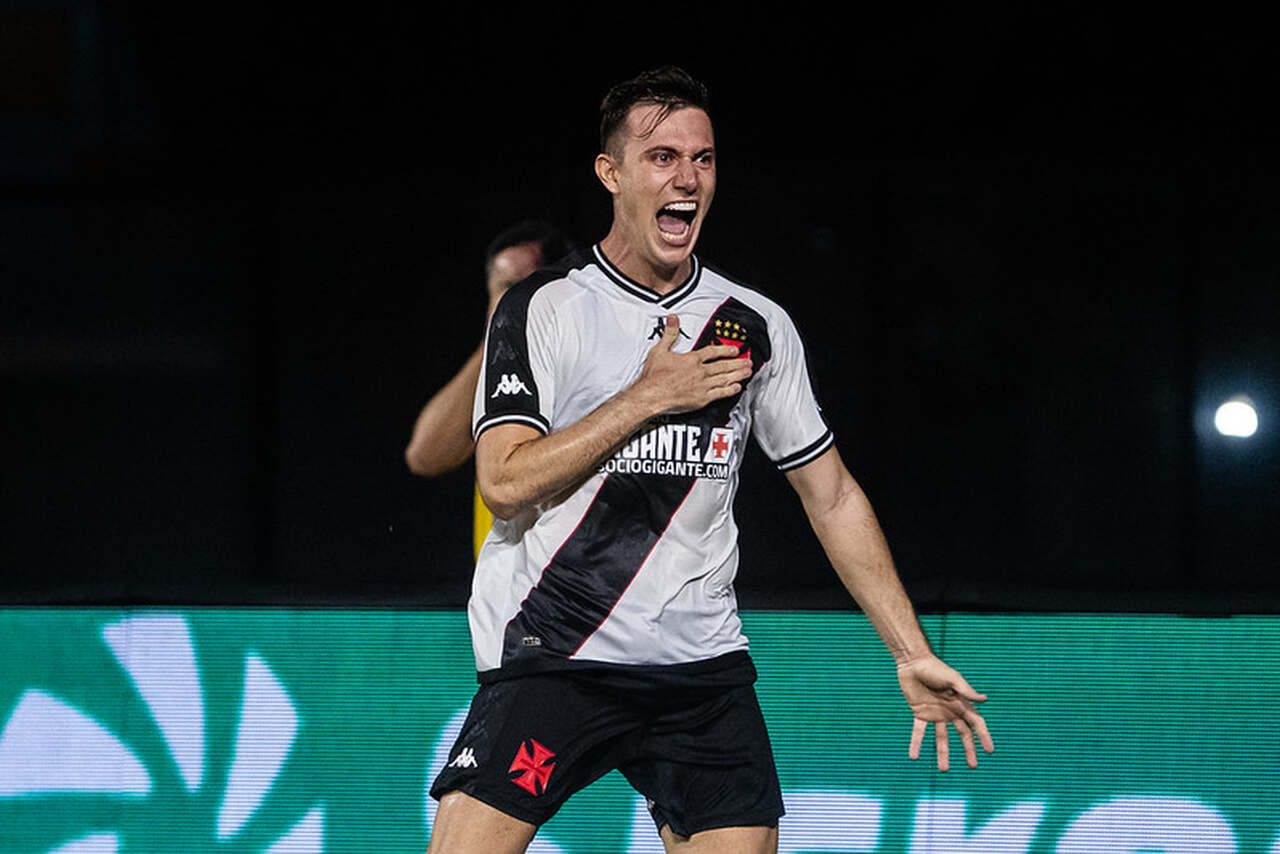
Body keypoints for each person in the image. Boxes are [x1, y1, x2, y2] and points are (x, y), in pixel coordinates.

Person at [427, 66, 994, 854]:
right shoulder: (546, 307)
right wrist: (646, 398)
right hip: (558, 654)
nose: (687, 178)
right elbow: (503, 480)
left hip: (700, 671)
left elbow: (830, 495)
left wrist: (911, 652)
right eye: (662, 157)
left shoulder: (753, 324)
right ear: (611, 173)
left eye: (703, 158)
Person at [405, 220, 571, 558]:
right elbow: (425, 457)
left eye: (526, 287)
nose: (516, 301)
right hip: (503, 587)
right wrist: (497, 344)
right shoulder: (492, 370)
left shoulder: (587, 363)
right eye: (506, 287)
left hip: (572, 581)